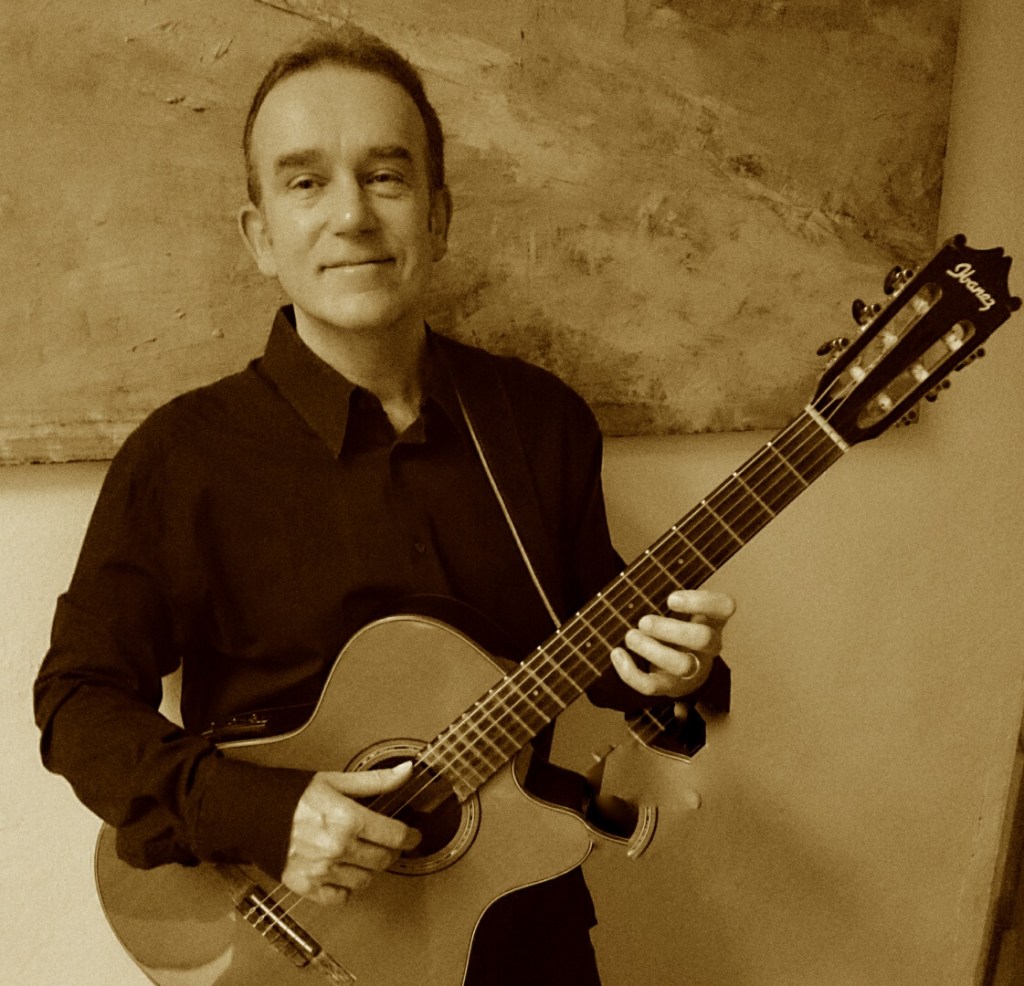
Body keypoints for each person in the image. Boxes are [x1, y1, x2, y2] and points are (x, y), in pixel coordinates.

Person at [34, 26, 735, 986]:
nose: (352, 216)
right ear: (259, 237)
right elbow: (77, 705)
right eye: (306, 182)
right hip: (295, 948)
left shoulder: (541, 424)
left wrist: (672, 676)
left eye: (387, 176)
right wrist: (270, 815)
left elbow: (605, 661)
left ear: (437, 218)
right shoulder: (181, 457)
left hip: (522, 935)